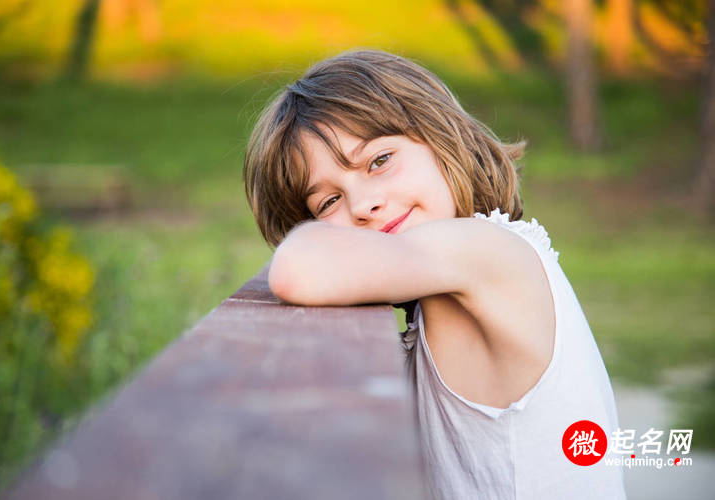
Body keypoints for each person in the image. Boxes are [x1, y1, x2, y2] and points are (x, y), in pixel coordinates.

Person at [242, 49, 626, 500]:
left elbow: (297, 270)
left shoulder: (486, 251)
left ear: (441, 138)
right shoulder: (440, 287)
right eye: (327, 202)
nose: (363, 204)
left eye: (379, 160)